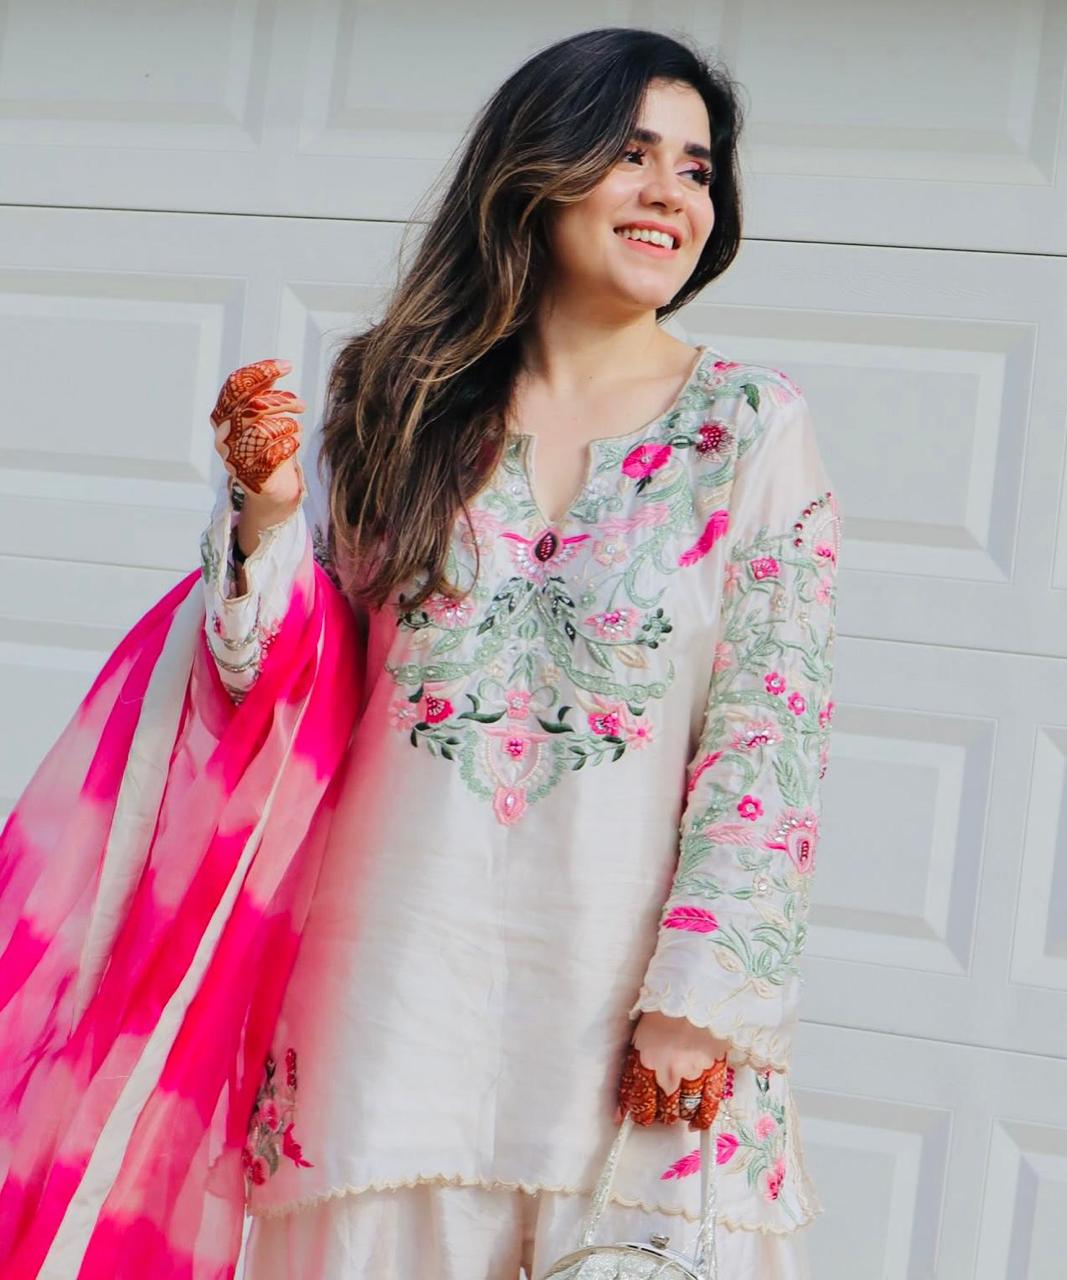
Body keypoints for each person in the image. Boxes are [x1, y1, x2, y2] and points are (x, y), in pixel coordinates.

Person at [0, 25, 840, 1280]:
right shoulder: (395, 404)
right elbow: (275, 688)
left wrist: (699, 1001)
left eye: (698, 167)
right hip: (388, 1023)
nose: (672, 191)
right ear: (536, 169)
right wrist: (265, 519)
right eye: (630, 153)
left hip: (635, 1032)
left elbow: (771, 729)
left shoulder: (751, 427)